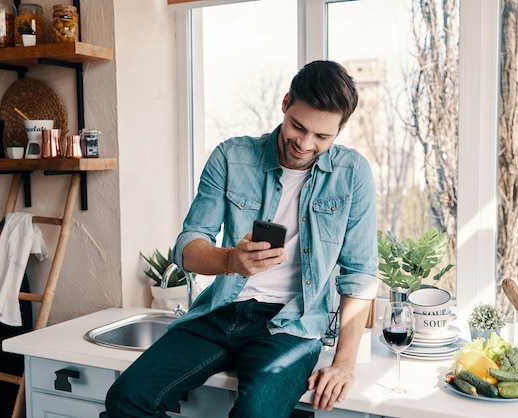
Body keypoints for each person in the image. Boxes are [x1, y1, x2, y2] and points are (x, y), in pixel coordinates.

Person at [105, 60, 378, 417]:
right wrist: (230, 261)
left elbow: (359, 274)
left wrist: (344, 362)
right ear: (285, 104)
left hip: (291, 326)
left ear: (340, 131)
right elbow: (188, 245)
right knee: (127, 398)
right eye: (298, 126)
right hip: (220, 312)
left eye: (322, 137)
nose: (305, 143)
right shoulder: (232, 156)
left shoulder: (352, 173)